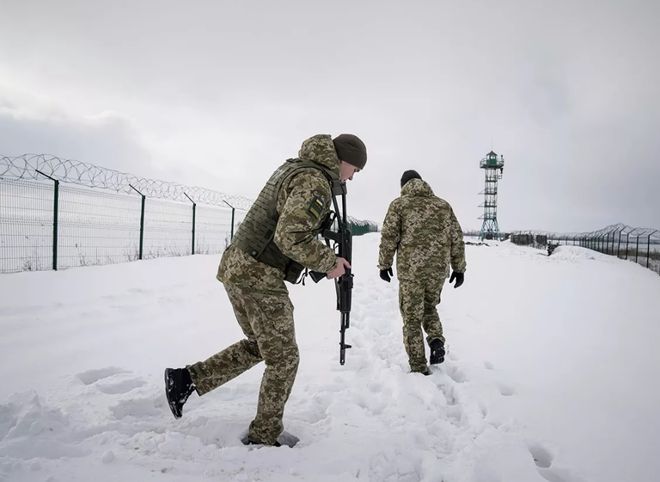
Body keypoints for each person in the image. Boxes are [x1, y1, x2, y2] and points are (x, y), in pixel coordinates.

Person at [164, 133, 367, 446]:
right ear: (343, 160)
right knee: (284, 357)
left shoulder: (298, 168)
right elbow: (291, 236)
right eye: (355, 169)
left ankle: (186, 380)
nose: (353, 176)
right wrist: (329, 262)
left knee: (263, 345)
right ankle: (264, 435)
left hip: (240, 265)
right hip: (256, 272)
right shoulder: (314, 180)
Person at [377, 170, 465, 375]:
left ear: (403, 185)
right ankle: (436, 340)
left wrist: (384, 264)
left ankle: (418, 367)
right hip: (437, 271)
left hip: (411, 272)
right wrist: (459, 268)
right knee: (429, 307)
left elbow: (389, 237)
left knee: (411, 318)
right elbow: (456, 238)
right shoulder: (443, 206)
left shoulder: (399, 205)